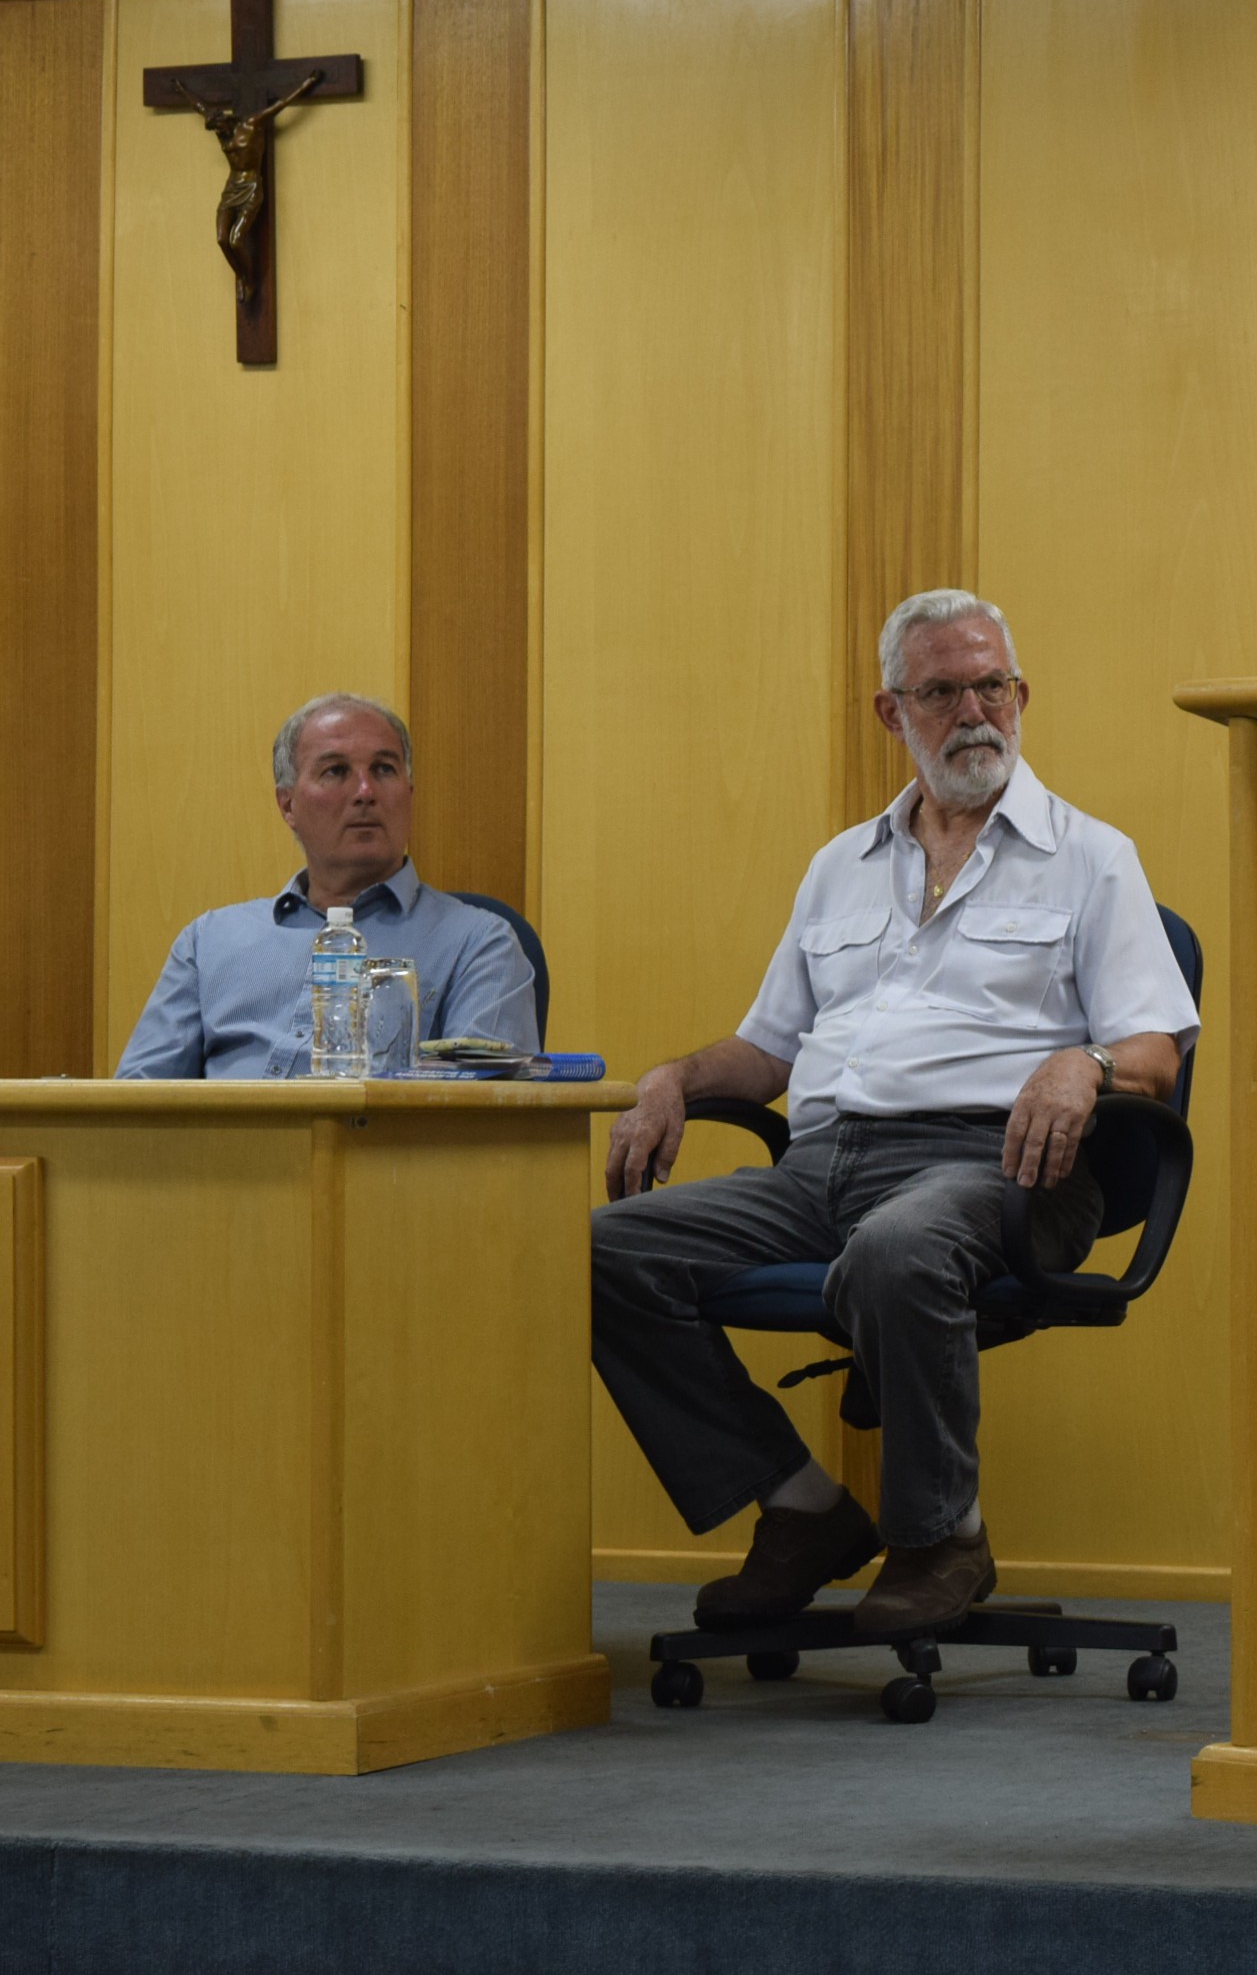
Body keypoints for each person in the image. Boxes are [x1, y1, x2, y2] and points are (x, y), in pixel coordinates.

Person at [591, 589, 1197, 1638]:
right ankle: (801, 1506)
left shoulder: (1092, 857)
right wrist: (673, 1079)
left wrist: (1079, 1060)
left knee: (898, 1248)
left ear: (1022, 696)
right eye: (943, 690)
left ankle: (940, 1534)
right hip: (820, 1167)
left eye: (992, 687)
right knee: (599, 1252)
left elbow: (1151, 1054)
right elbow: (770, 1052)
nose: (974, 712)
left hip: (1004, 1167)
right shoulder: (841, 867)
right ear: (891, 710)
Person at [116, 693, 541, 1078]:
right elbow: (134, 1108)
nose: (364, 791)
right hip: (220, 1162)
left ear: (409, 793)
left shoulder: (479, 944)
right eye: (336, 771)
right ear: (288, 805)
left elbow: (485, 1124)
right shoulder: (207, 942)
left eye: (384, 769)